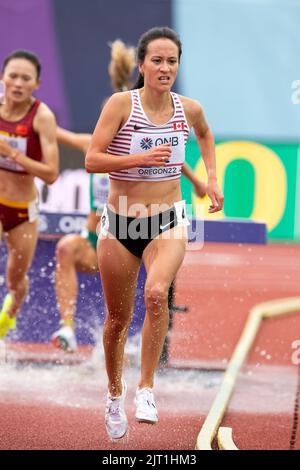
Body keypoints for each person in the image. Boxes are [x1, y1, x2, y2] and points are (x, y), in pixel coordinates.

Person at [85, 27, 223, 440]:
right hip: (121, 222)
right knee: (117, 320)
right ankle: (114, 395)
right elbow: (92, 159)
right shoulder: (120, 105)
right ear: (142, 64)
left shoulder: (188, 109)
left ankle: (146, 388)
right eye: (157, 61)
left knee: (157, 293)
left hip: (167, 219)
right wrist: (139, 158)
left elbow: (205, 134)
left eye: (172, 61)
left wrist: (211, 178)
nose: (165, 68)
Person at [51, 40, 207, 354]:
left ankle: (153, 347)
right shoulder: (89, 145)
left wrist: (200, 183)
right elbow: (53, 131)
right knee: (67, 248)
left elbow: (173, 156)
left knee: (157, 282)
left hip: (145, 223)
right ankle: (67, 328)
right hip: (101, 236)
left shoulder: (141, 135)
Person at [0, 50, 59, 338]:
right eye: (13, 76)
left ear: (36, 84)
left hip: (23, 210)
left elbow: (51, 173)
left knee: (16, 278)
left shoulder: (42, 116)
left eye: (26, 78)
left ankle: (8, 316)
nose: (18, 83)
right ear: (3, 78)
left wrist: (11, 153)